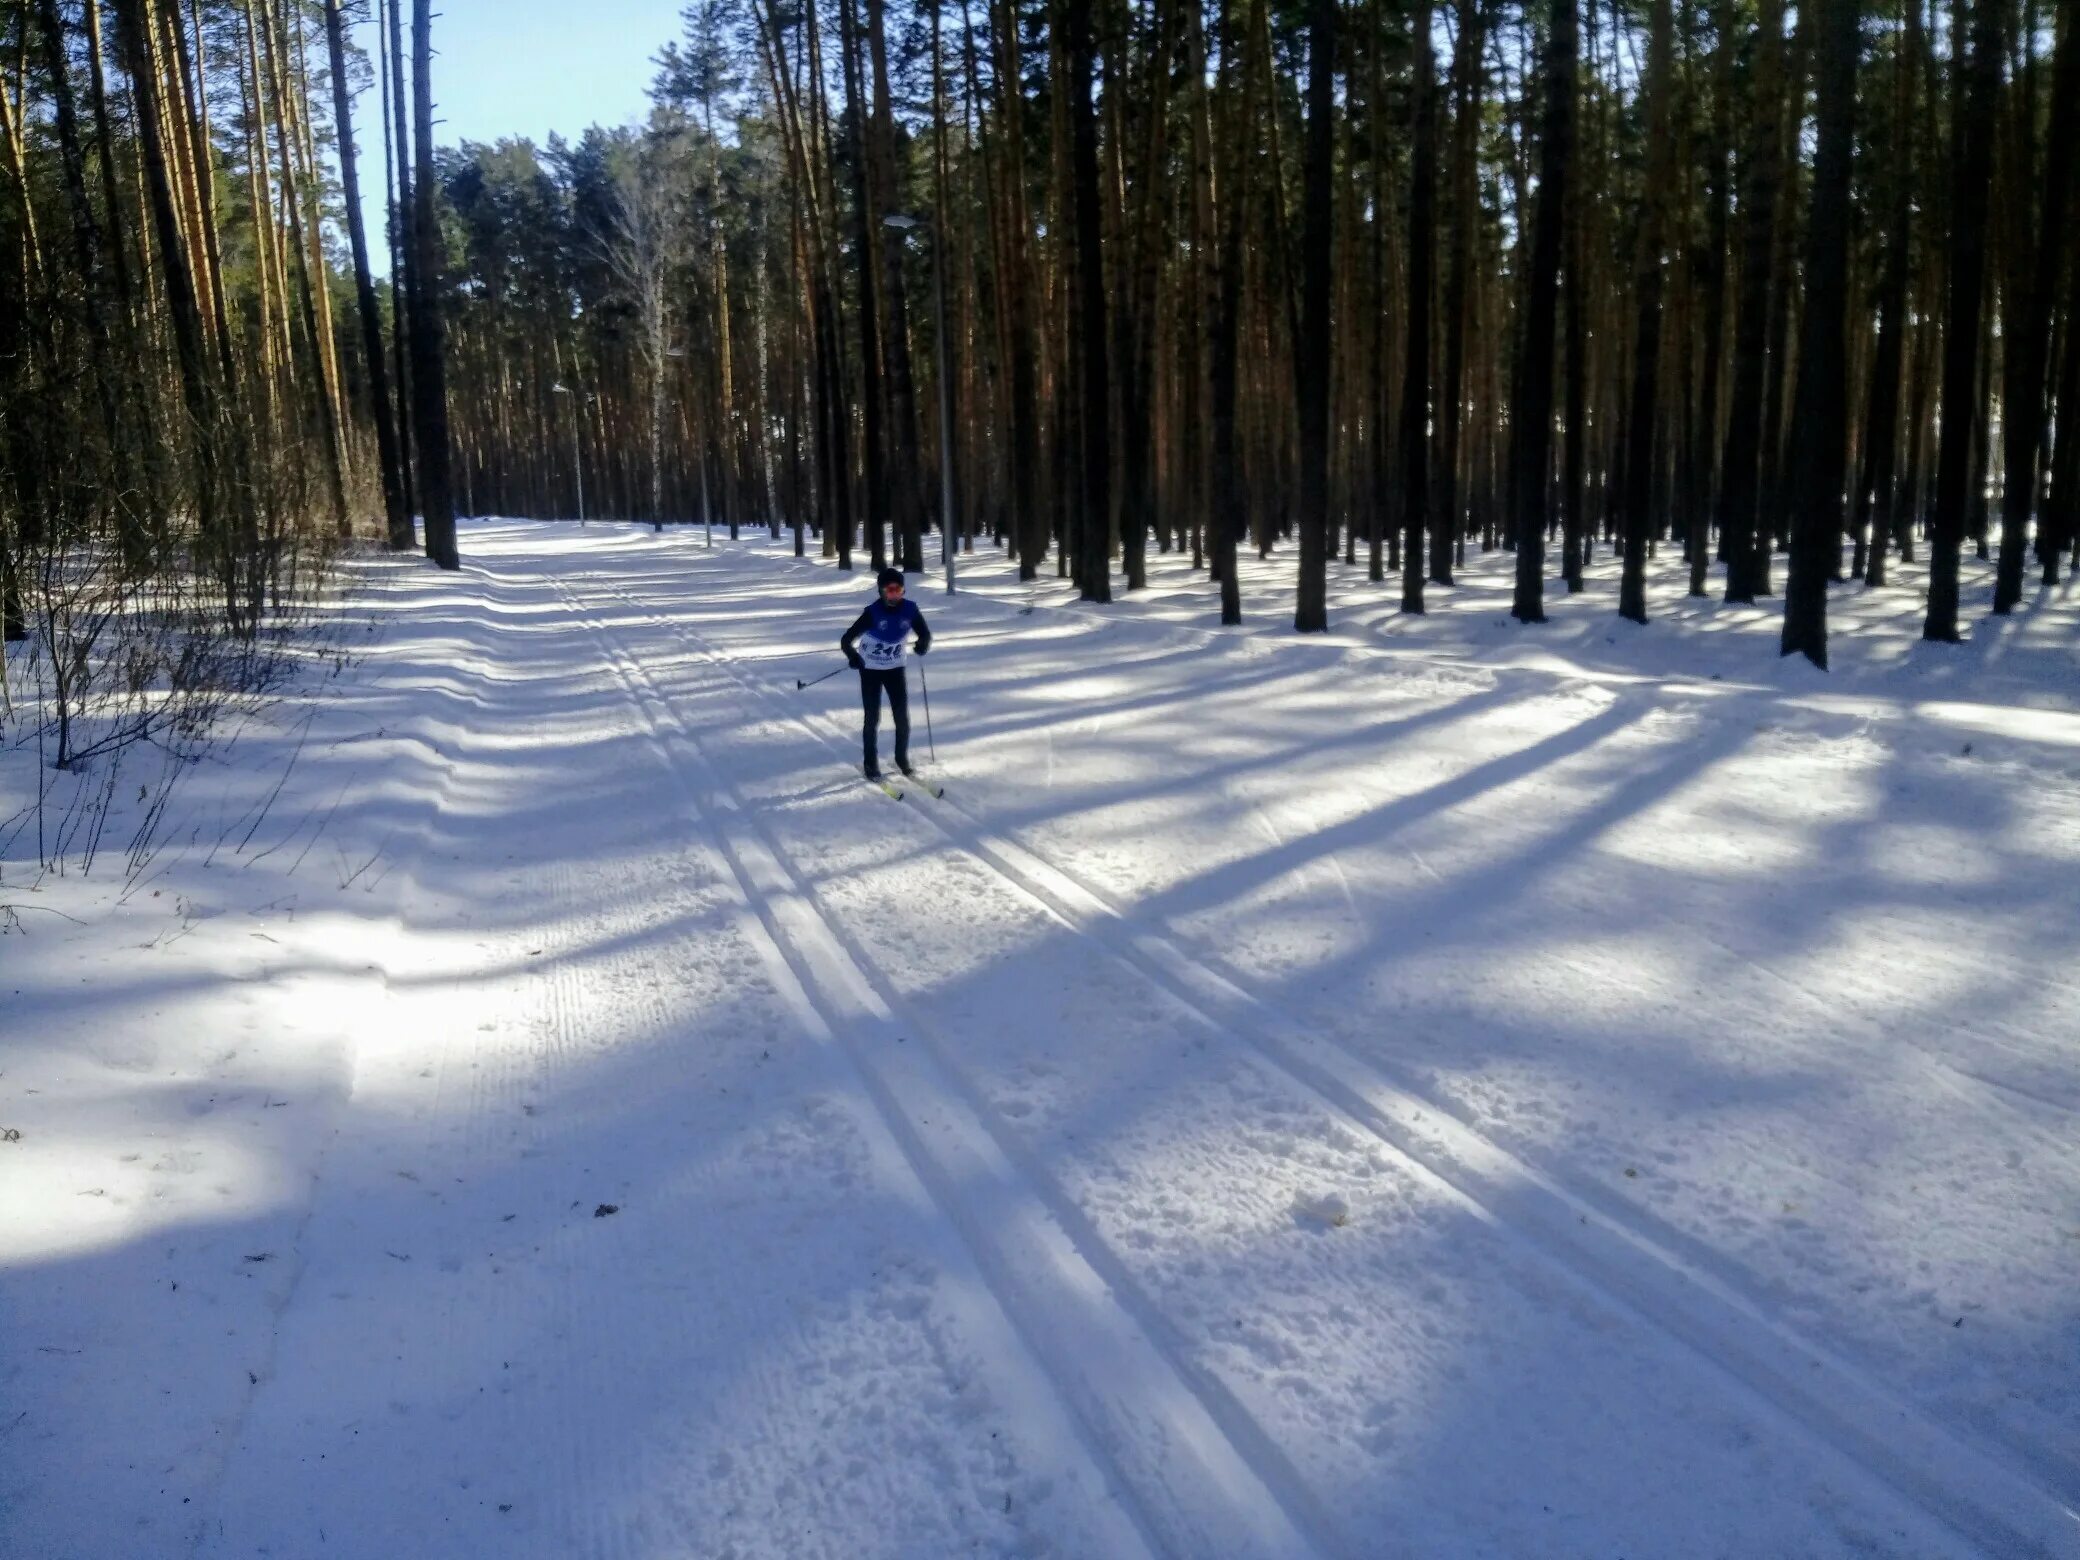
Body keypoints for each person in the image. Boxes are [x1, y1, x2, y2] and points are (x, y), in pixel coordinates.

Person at [840, 568, 932, 779]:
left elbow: (924, 633)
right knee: (872, 718)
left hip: (895, 669)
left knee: (902, 718)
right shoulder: (872, 612)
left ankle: (901, 758)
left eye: (898, 591)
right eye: (890, 591)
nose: (894, 596)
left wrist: (922, 644)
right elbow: (846, 640)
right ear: (881, 591)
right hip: (871, 670)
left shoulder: (910, 610)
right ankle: (870, 764)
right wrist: (853, 657)